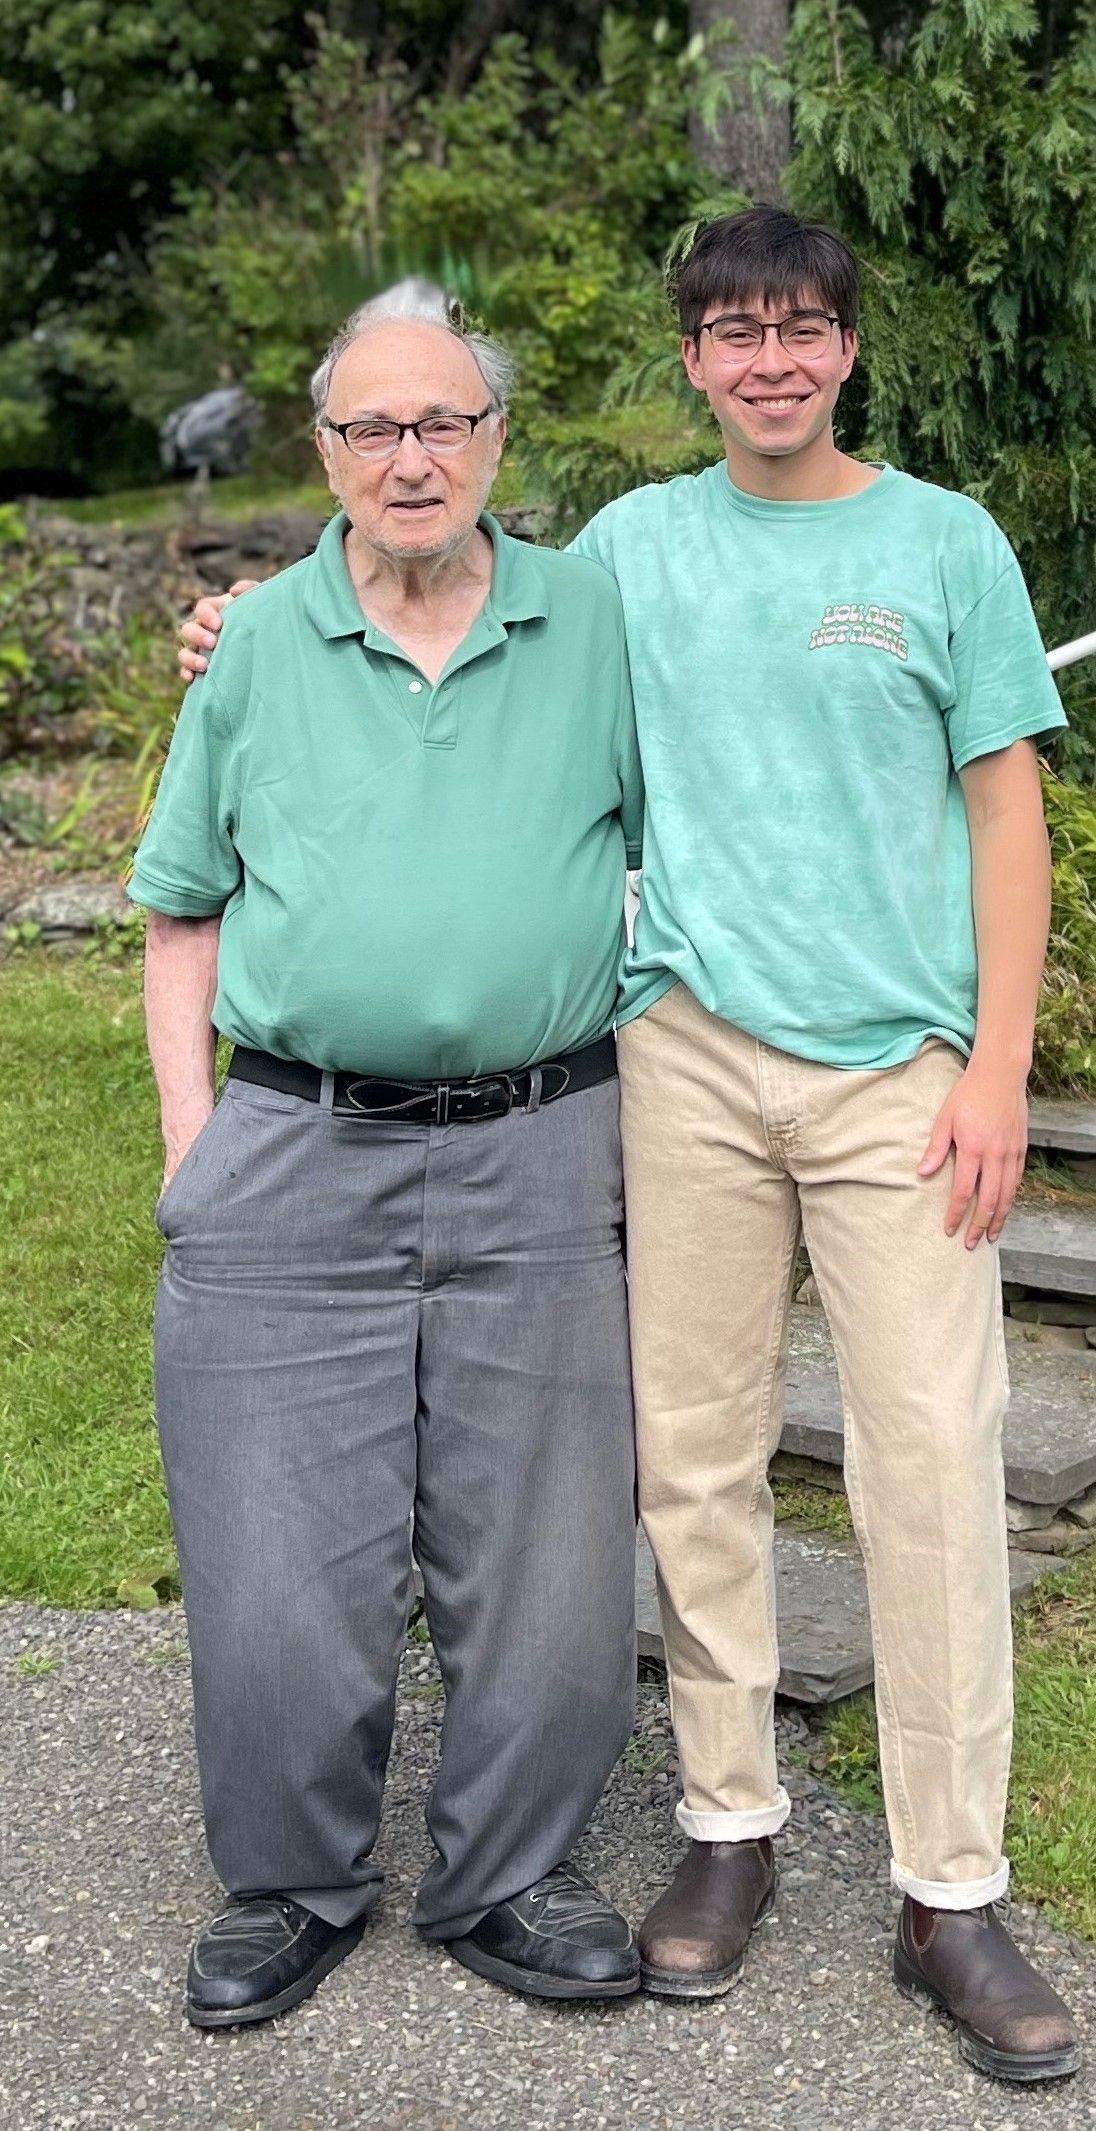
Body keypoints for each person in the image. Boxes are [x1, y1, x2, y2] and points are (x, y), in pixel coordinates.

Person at [180, 207, 1081, 2083]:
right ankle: (727, 1828)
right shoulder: (628, 562)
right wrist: (241, 618)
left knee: (931, 1458)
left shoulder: (943, 544)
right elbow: (408, 555)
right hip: (676, 1063)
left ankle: (952, 1887)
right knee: (689, 1464)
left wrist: (997, 1064)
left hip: (899, 1075)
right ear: (690, 361)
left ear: (847, 349)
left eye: (804, 330)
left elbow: (1006, 813)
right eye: (735, 331)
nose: (771, 359)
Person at [136, 289, 645, 2028]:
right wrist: (194, 1143)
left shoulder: (596, 622)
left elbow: (706, 841)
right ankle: (290, 1882)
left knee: (556, 1552)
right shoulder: (260, 640)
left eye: (444, 423)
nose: (410, 456)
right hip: (294, 1146)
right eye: (373, 430)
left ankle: (509, 1878)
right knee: (278, 1549)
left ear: (500, 443)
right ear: (327, 454)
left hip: (547, 1144)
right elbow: (178, 908)